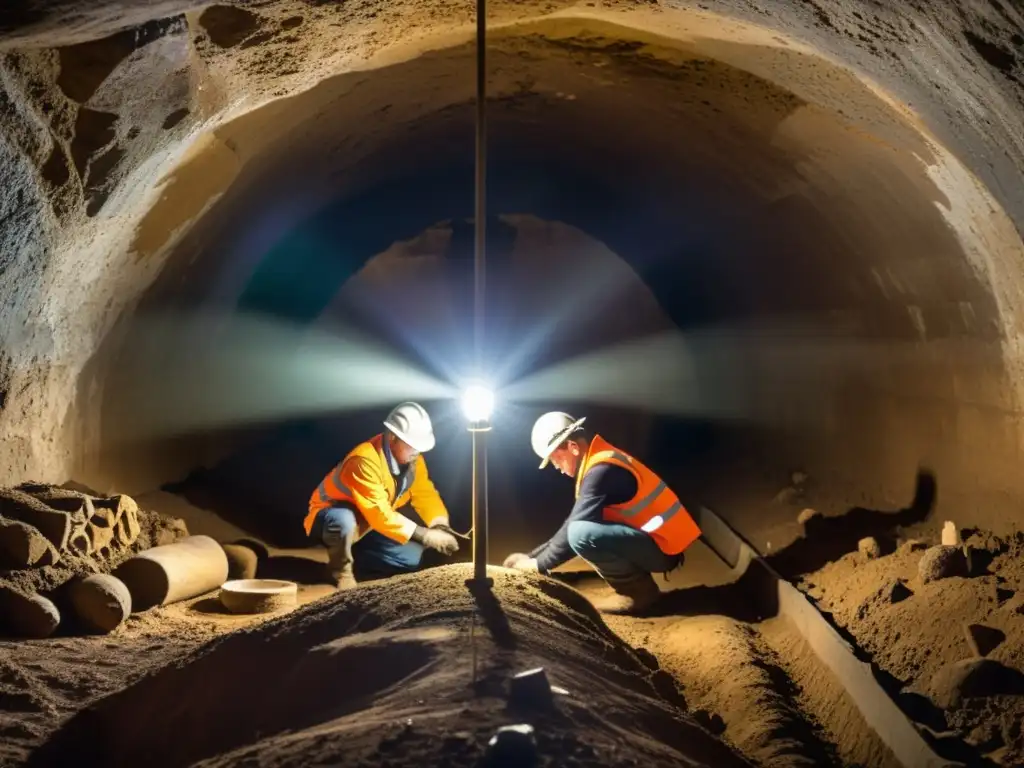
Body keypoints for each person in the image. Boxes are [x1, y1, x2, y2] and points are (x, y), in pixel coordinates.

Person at [503, 411, 702, 614]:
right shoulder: (596, 463)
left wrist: (536, 565)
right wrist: (531, 557)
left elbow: (575, 531)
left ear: (572, 448)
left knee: (580, 534)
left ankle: (638, 593)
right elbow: (572, 523)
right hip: (654, 542)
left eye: (556, 458)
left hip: (662, 549)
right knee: (577, 530)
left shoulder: (601, 471)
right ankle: (637, 587)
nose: (556, 467)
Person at [303, 402, 461, 589]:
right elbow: (379, 513)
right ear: (393, 437)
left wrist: (439, 524)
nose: (417, 452)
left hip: (368, 523)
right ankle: (340, 570)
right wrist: (425, 535)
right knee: (344, 521)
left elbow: (424, 493)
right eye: (412, 446)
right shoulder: (364, 460)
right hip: (329, 515)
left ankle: (358, 553)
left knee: (409, 560)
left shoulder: (413, 460)